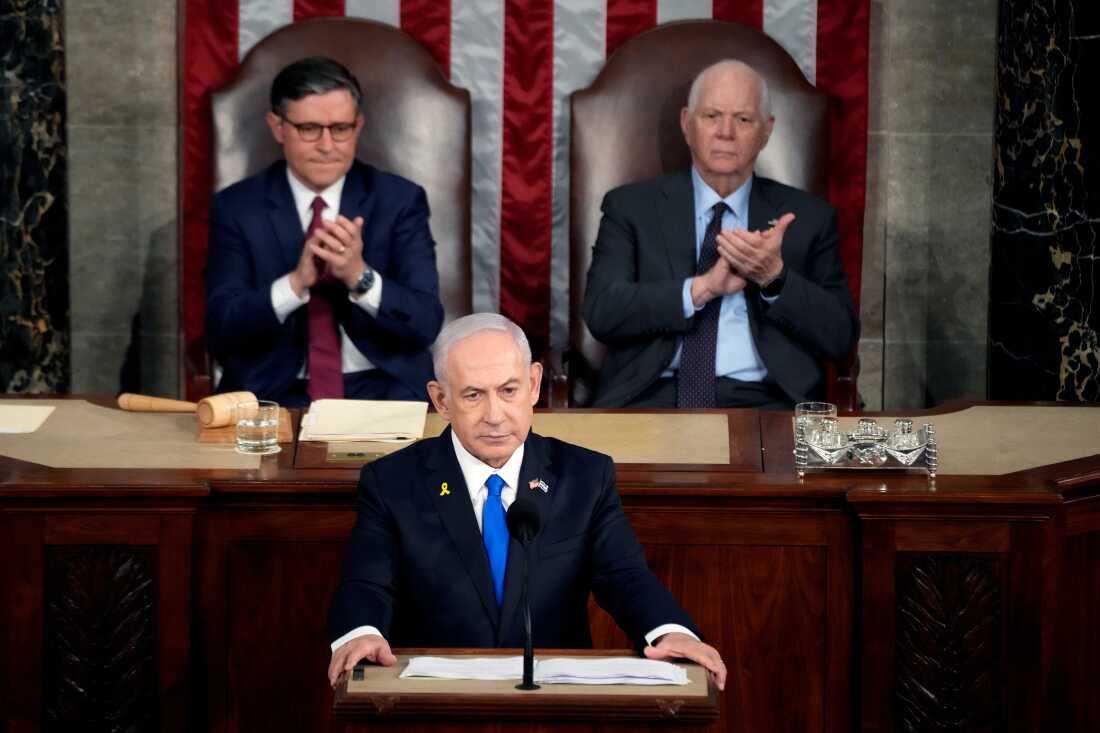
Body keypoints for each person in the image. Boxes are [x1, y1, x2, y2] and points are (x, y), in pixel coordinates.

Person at [327, 313, 727, 690]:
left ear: (534, 384)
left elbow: (624, 576)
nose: (495, 415)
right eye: (472, 396)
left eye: (508, 390)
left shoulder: (584, 476)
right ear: (441, 401)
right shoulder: (393, 481)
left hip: (553, 701)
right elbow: (368, 581)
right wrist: (362, 634)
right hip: (436, 697)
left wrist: (670, 631)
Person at [582, 59, 859, 409]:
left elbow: (840, 338)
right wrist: (701, 290)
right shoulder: (631, 207)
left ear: (766, 131)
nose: (725, 132)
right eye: (711, 116)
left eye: (743, 119)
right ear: (686, 123)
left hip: (766, 404)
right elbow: (602, 312)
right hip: (651, 396)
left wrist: (774, 278)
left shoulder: (808, 217)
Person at [204, 56, 443, 407]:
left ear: (358, 126)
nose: (327, 146)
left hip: (383, 387)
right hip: (272, 393)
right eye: (309, 129)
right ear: (277, 127)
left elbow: (424, 323)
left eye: (340, 129)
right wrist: (295, 283)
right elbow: (221, 329)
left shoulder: (399, 201)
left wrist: (359, 276)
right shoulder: (237, 207)